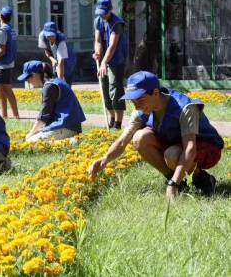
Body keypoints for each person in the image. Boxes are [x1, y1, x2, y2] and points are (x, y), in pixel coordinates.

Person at [88, 71, 224, 201]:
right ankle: (177, 182)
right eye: (133, 103)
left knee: (172, 155)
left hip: (207, 148)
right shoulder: (141, 110)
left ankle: (202, 179)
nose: (137, 107)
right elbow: (123, 140)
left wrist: (171, 187)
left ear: (155, 93)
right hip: (176, 146)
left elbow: (189, 150)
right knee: (139, 138)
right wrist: (105, 159)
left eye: (140, 100)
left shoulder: (184, 107)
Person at [17, 60, 86, 142]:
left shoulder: (49, 86)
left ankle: (71, 142)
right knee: (35, 136)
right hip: (69, 126)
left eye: (27, 79)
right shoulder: (55, 81)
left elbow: (44, 116)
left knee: (30, 142)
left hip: (65, 127)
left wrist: (30, 134)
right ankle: (70, 139)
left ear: (35, 75)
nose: (28, 82)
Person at [93, 0, 128, 129]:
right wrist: (97, 52)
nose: (102, 15)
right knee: (105, 90)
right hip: (104, 60)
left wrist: (103, 63)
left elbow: (112, 46)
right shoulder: (98, 20)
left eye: (104, 12)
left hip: (116, 60)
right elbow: (98, 40)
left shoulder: (117, 23)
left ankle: (118, 123)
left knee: (115, 90)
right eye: (100, 12)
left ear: (111, 9)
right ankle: (112, 118)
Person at [38, 22, 76, 87]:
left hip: (68, 61)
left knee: (65, 84)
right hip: (55, 58)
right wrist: (52, 59)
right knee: (55, 82)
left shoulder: (61, 41)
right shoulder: (42, 35)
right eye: (49, 36)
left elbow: (61, 62)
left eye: (53, 35)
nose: (51, 37)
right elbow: (46, 50)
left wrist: (60, 81)